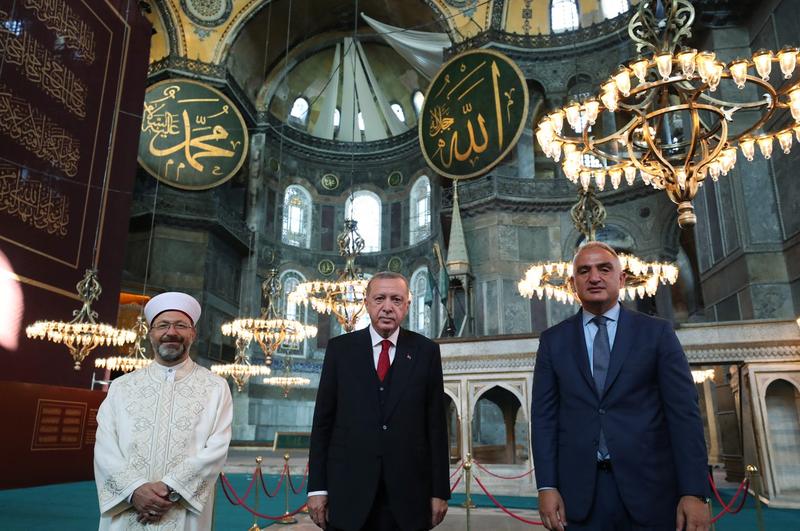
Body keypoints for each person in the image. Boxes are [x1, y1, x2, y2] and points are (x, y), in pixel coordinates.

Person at [532, 242, 710, 531]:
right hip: (578, 495)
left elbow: (684, 416)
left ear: (622, 278)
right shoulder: (553, 341)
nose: (594, 277)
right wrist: (547, 486)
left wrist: (694, 491)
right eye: (584, 271)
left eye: (604, 269)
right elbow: (544, 419)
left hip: (651, 490)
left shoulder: (656, 333)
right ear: (573, 282)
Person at [307, 272, 450, 531]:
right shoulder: (340, 350)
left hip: (409, 498)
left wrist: (440, 492)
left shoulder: (426, 351)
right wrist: (317, 488)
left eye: (396, 300)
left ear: (407, 305)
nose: (387, 307)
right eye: (379, 298)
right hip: (348, 494)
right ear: (366, 302)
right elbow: (322, 425)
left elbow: (436, 427)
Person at [94, 292, 233, 530]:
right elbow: (105, 448)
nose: (171, 332)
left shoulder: (215, 387)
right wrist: (134, 490)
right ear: (151, 333)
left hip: (182, 508)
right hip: (129, 506)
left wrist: (171, 488)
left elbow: (217, 448)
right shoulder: (121, 387)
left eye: (181, 325)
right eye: (163, 325)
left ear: (193, 333)